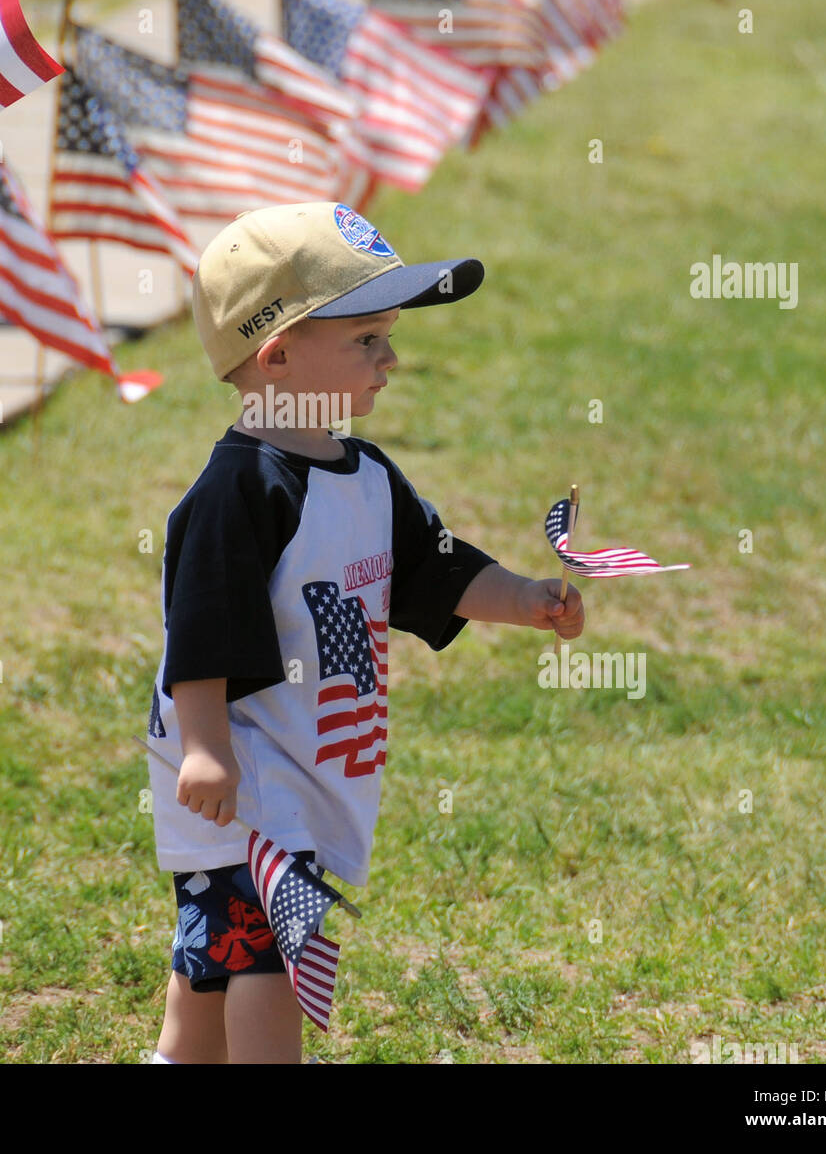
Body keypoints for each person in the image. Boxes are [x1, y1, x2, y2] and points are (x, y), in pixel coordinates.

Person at [145, 201, 585, 1064]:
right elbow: (198, 630)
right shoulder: (241, 490)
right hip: (246, 777)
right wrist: (204, 747)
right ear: (276, 357)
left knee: (212, 967)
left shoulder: (365, 473)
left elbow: (437, 571)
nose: (392, 359)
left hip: (302, 776)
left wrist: (526, 597)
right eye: (367, 340)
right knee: (268, 957)